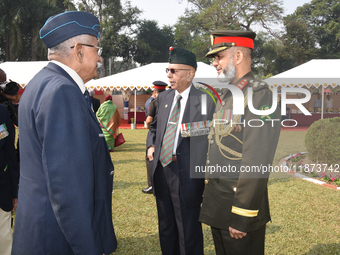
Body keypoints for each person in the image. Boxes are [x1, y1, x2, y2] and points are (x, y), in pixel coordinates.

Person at [12, 11, 117, 255]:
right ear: (79, 49)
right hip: (58, 239)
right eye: (97, 49)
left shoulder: (41, 83)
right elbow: (69, 190)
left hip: (40, 229)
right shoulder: (63, 92)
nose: (100, 59)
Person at [199, 30, 281, 255]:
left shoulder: (260, 96)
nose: (215, 63)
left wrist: (242, 213)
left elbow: (257, 160)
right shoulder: (227, 95)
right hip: (219, 202)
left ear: (237, 57)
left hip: (239, 206)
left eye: (219, 57)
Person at [147, 47, 214, 255]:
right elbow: (155, 127)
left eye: (174, 71)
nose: (169, 75)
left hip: (187, 173)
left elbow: (207, 134)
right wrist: (151, 144)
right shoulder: (164, 98)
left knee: (188, 228)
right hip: (162, 169)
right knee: (166, 226)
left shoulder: (204, 100)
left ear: (190, 73)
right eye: (168, 70)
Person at [0, 104, 19, 255]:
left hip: (2, 189)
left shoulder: (1, 111)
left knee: (4, 241)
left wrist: (14, 191)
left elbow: (10, 153)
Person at [142, 81, 167, 194]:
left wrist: (148, 127)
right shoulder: (170, 100)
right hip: (168, 134)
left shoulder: (154, 102)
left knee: (150, 158)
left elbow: (149, 120)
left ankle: (152, 185)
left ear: (155, 91)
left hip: (156, 134)